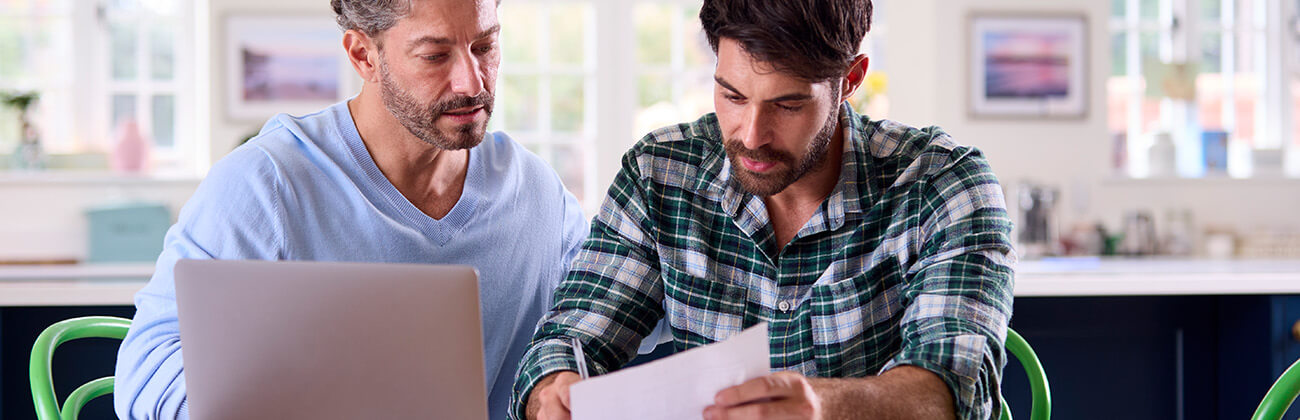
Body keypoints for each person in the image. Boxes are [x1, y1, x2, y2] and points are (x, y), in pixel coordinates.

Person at [511, 0, 1016, 419]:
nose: (751, 136)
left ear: (852, 79)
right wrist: (554, 389)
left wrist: (823, 406)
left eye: (788, 105)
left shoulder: (942, 184)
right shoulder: (659, 174)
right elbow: (571, 337)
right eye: (732, 95)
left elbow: (953, 389)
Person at [114, 0, 587, 418]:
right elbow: (147, 373)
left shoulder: (536, 191)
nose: (470, 81)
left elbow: (619, 313)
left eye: (485, 47)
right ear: (364, 55)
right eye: (435, 56)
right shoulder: (266, 186)